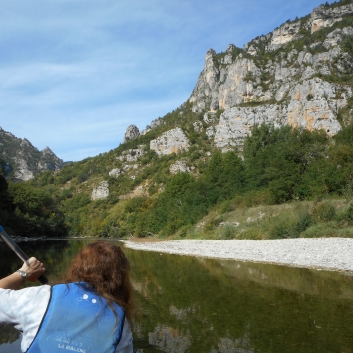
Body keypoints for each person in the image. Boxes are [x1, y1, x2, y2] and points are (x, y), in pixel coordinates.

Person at [0, 241, 134, 353]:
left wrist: (23, 273)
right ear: (120, 278)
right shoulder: (121, 322)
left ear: (78, 267)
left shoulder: (41, 297)